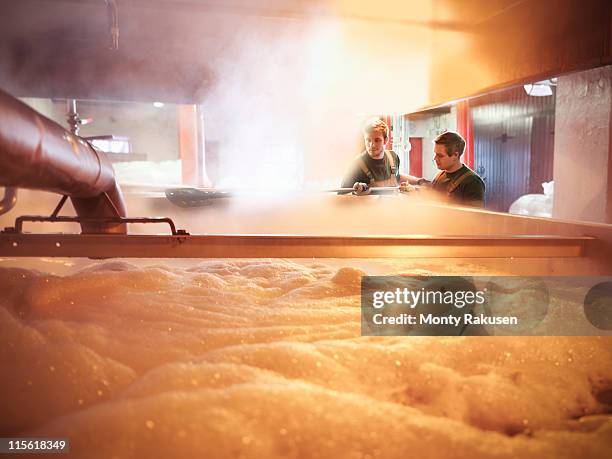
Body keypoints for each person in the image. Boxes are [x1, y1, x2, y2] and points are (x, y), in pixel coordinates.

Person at [341, 118, 422, 195]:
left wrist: (418, 181)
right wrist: (355, 193)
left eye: (377, 140)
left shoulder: (393, 157)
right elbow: (341, 197)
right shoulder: (355, 165)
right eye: (368, 140)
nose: (372, 145)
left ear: (386, 140)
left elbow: (397, 176)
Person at [426, 131, 485, 207]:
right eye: (435, 154)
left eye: (440, 155)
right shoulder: (439, 177)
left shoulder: (473, 183)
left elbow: (475, 217)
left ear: (455, 155)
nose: (435, 158)